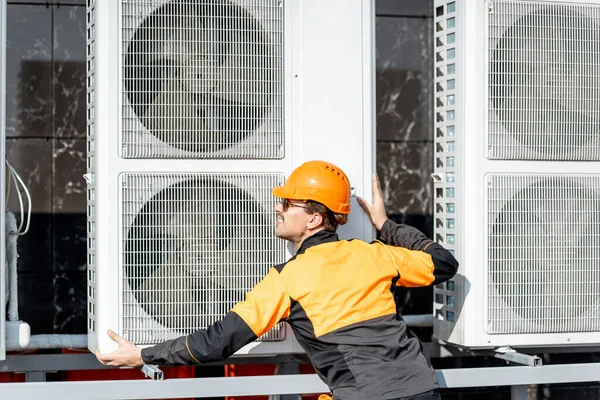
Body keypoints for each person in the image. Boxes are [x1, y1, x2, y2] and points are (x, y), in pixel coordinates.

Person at [96, 160, 458, 400]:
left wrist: (142, 354)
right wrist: (384, 225)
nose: (277, 207)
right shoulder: (374, 253)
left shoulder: (287, 280)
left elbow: (217, 342)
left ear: (315, 219)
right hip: (423, 389)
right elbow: (442, 263)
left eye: (288, 203)